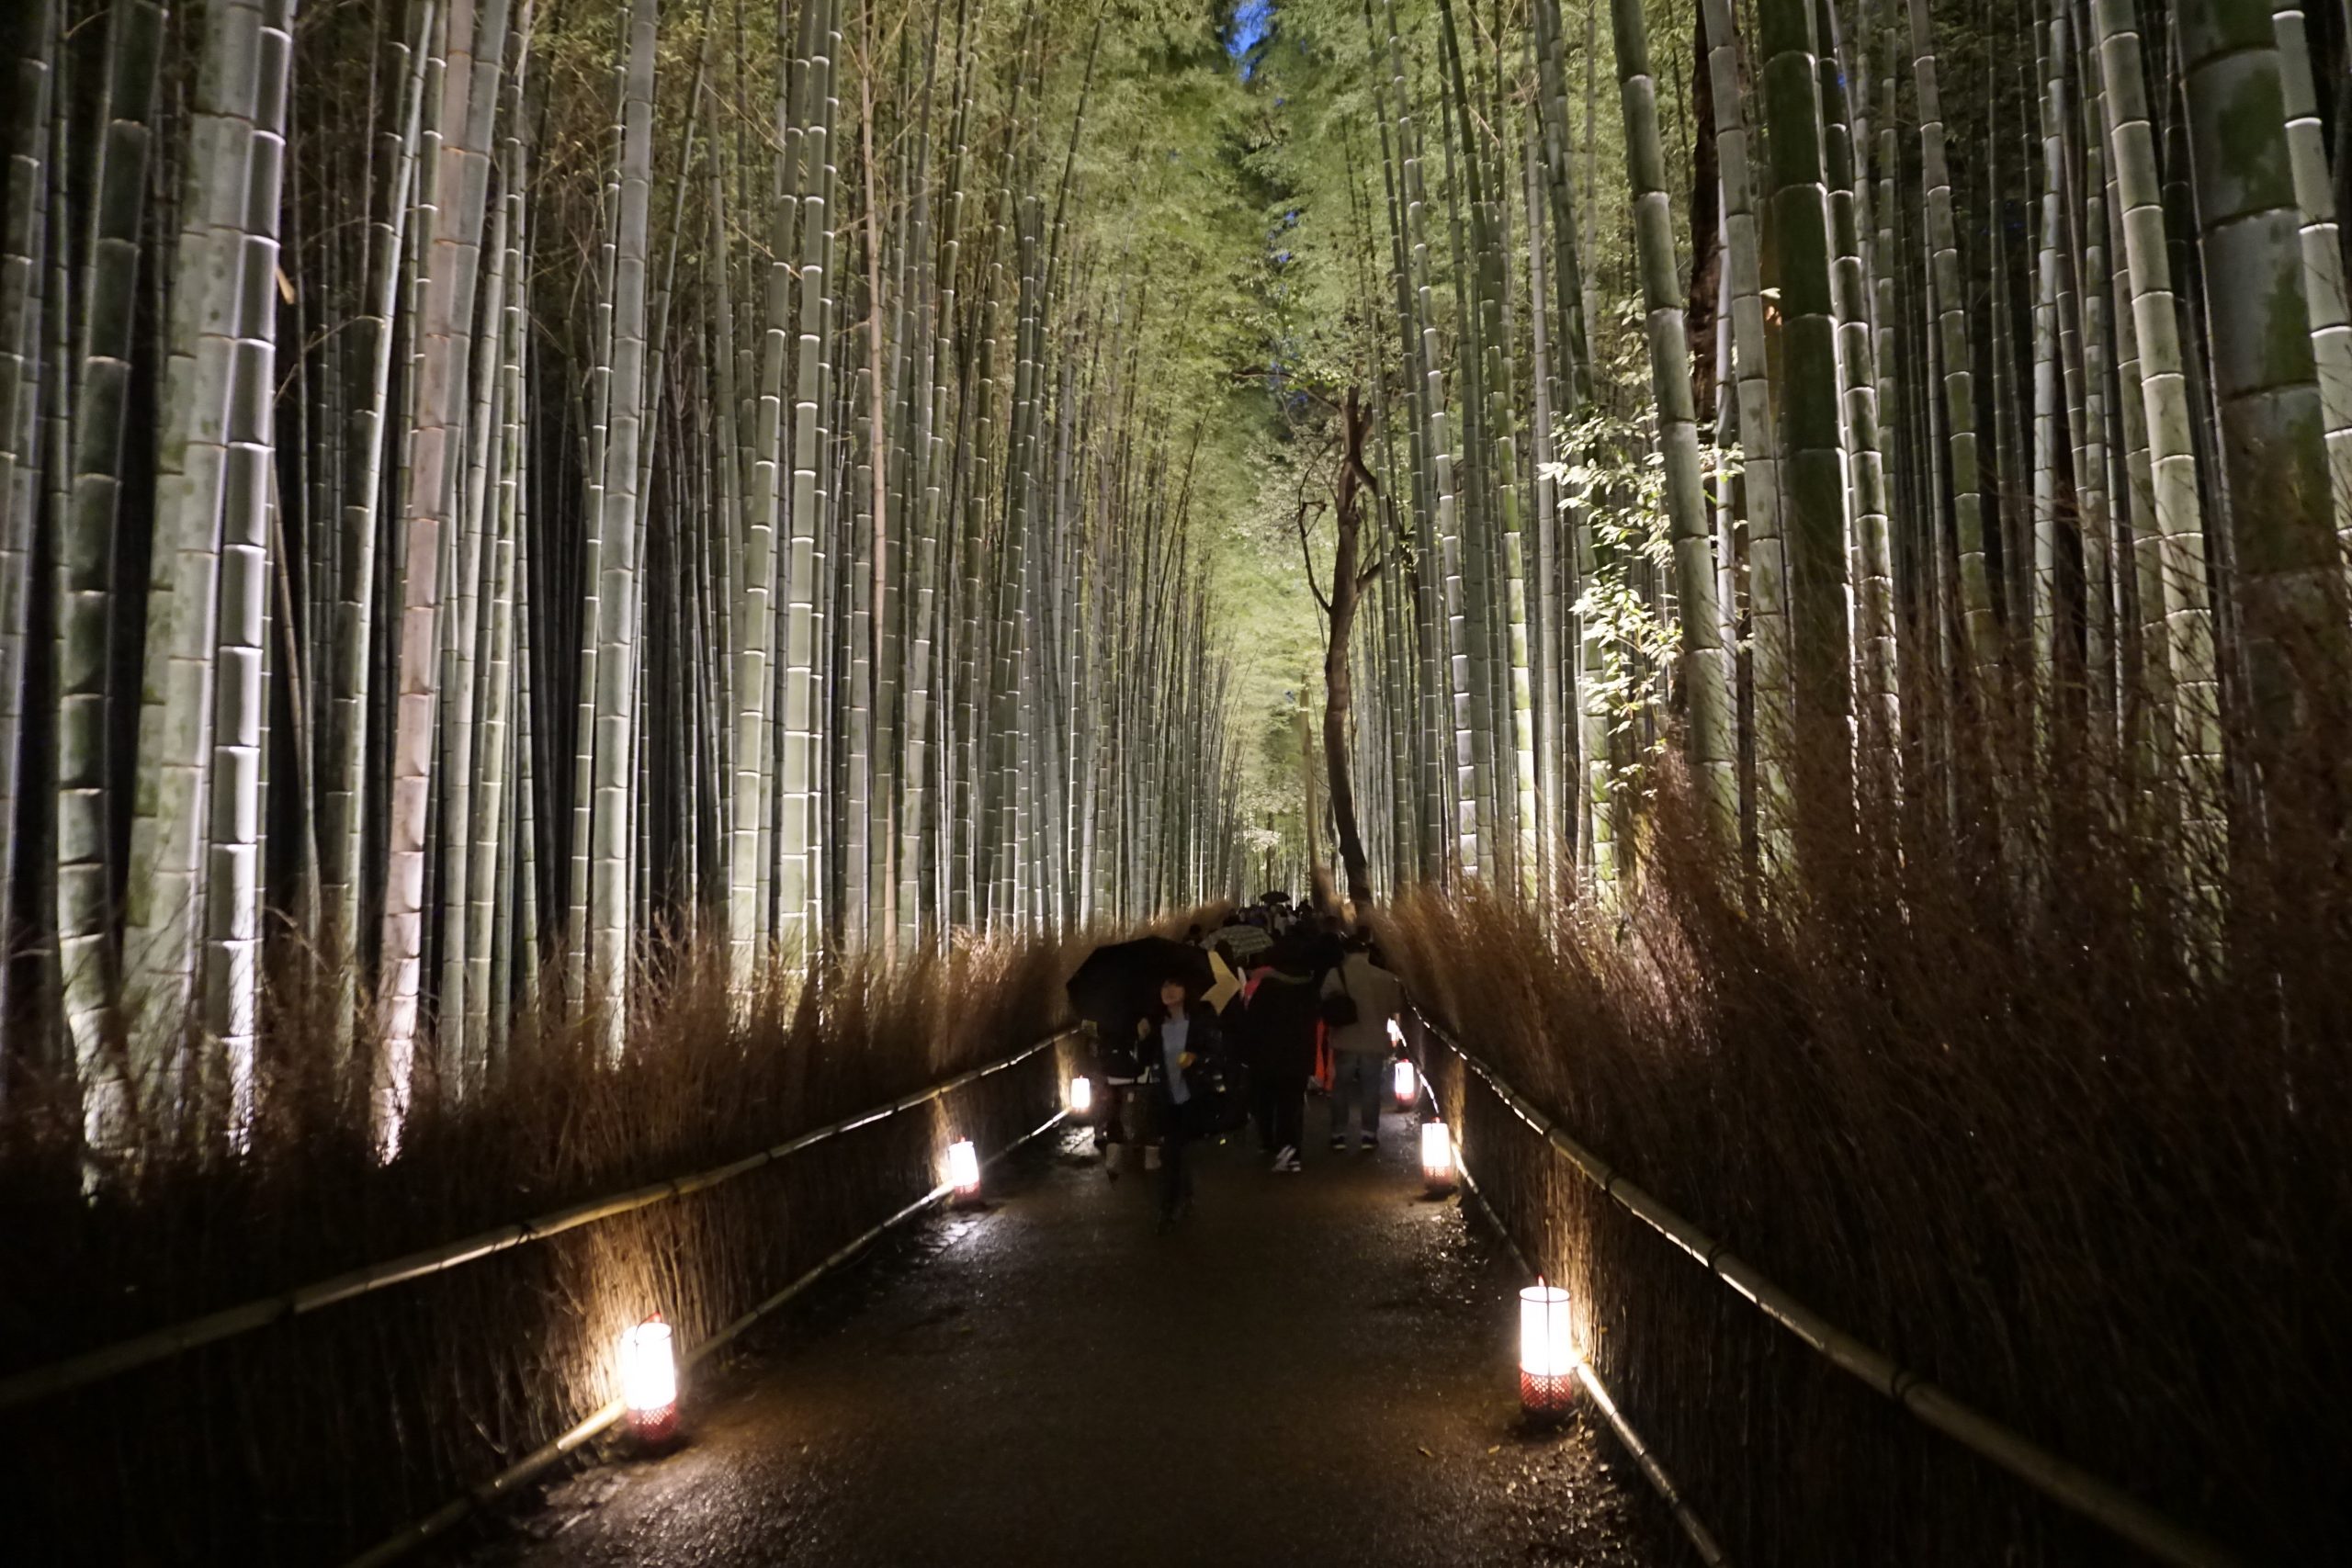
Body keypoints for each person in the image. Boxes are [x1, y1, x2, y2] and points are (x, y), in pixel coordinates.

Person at [1141, 974, 1222, 1228]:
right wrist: (1143, 1037)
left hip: (1193, 1096)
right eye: (1165, 984)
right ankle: (1176, 1201)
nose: (1169, 990)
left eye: (1176, 984)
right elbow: (1142, 1061)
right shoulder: (1155, 1025)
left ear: (1187, 989)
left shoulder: (1199, 1021)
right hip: (1167, 1099)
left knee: (1177, 1151)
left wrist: (1195, 1058)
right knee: (1174, 1152)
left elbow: (1217, 1053)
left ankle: (1172, 1204)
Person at [1321, 934, 1406, 1151]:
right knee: (1371, 1088)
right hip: (1374, 1041)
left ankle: (1338, 1134)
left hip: (1344, 1039)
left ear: (1346, 954)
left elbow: (1324, 1000)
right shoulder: (1386, 978)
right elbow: (1396, 1008)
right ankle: (1369, 1135)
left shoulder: (1335, 975)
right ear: (1366, 953)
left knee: (1341, 1088)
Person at [1241, 941, 1320, 1171]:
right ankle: (1292, 1152)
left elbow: (1254, 1021)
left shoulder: (1268, 986)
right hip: (1298, 1056)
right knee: (1292, 1105)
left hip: (1267, 1055)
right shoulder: (1308, 985)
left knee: (1266, 1101)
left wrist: (1248, 1052)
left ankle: (1269, 1141)